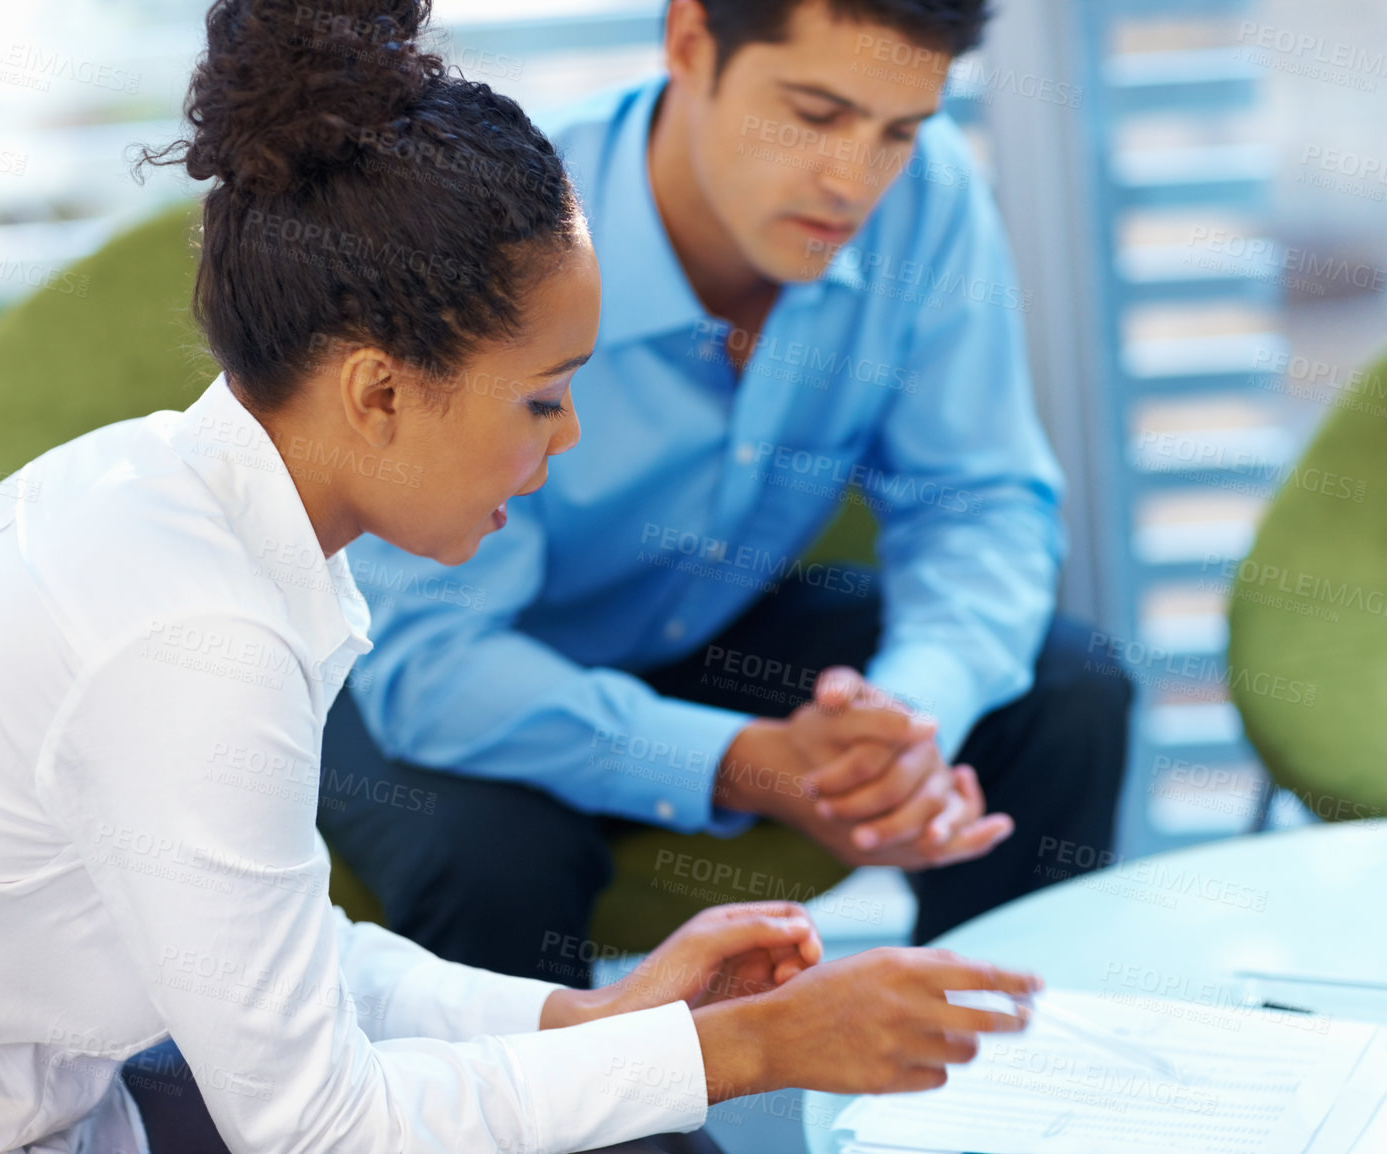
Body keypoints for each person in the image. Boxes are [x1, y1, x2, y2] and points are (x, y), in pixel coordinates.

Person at [0, 2, 1039, 1150]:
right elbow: (320, 1125)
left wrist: (588, 1014)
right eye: (542, 398)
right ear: (379, 393)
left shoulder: (178, 497)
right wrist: (747, 1049)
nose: (572, 437)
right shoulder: (196, 639)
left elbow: (289, 953)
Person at [321, 0, 1132, 986]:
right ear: (690, 43)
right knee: (488, 851)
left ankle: (985, 1079)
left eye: (897, 132)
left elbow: (977, 501)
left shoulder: (929, 200)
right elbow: (434, 662)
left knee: (1067, 687)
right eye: (814, 113)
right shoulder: (491, 229)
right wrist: (751, 761)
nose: (854, 181)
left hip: (703, 618)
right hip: (426, 659)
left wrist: (905, 723)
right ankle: (577, 1128)